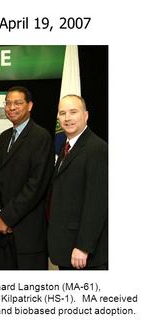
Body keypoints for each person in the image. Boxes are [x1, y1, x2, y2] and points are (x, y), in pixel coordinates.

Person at [0, 86, 54, 269]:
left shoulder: (41, 137)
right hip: (2, 234)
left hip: (28, 233)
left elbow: (35, 186)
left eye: (18, 103)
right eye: (8, 103)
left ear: (29, 106)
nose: (11, 107)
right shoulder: (4, 138)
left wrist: (7, 217)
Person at [48, 94, 108, 270]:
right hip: (66, 247)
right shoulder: (66, 146)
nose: (67, 118)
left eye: (73, 112)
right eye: (62, 113)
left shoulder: (97, 149)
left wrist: (83, 246)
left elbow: (97, 203)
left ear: (86, 115)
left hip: (84, 254)